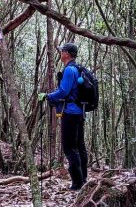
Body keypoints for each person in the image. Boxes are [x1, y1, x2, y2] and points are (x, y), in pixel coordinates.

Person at [38, 42, 88, 190]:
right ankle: (83, 179)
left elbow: (63, 92)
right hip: (80, 112)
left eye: (62, 51)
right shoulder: (78, 69)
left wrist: (47, 96)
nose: (60, 53)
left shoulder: (69, 70)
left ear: (67, 54)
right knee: (79, 146)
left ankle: (77, 184)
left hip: (70, 113)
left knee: (69, 148)